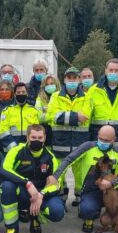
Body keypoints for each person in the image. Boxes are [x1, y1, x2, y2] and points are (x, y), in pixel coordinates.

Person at [50, 125, 118, 233]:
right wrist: (55, 176)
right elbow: (68, 160)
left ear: (114, 139)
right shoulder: (87, 146)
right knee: (87, 210)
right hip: (92, 191)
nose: (103, 142)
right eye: (101, 139)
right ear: (97, 136)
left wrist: (111, 183)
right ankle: (90, 217)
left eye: (107, 140)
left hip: (114, 192)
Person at [0, 124, 65, 233]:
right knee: (7, 187)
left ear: (45, 138)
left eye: (40, 138)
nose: (37, 140)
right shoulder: (16, 151)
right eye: (33, 137)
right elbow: (4, 170)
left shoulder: (51, 157)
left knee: (57, 212)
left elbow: (57, 183)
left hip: (41, 194)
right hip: (23, 191)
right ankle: (12, 228)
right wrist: (27, 183)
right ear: (27, 137)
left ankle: (36, 217)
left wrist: (41, 195)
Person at [46, 66, 92, 206]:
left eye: (74, 78)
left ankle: (80, 199)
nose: (72, 80)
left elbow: (85, 117)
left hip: (80, 145)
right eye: (69, 78)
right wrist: (75, 116)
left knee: (81, 176)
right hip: (60, 144)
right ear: (64, 80)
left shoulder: (87, 98)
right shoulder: (55, 96)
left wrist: (63, 116)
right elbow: (50, 116)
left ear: (79, 80)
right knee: (59, 175)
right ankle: (60, 200)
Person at [88, 58, 118, 168]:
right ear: (105, 71)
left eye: (116, 70)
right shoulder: (93, 90)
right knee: (97, 174)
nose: (113, 73)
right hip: (99, 142)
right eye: (111, 70)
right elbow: (88, 118)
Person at [0, 82, 41, 150]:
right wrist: (14, 149)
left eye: (23, 92)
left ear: (27, 94)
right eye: (18, 92)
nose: (21, 94)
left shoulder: (34, 111)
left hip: (29, 150)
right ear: (15, 94)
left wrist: (28, 148)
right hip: (11, 150)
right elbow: (3, 132)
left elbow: (36, 131)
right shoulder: (6, 111)